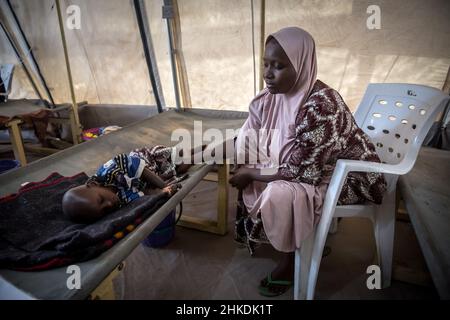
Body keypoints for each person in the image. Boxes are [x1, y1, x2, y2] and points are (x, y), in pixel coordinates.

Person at [229, 27, 387, 297]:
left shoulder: (321, 105)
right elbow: (255, 136)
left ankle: (293, 260)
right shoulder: (276, 96)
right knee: (249, 159)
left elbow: (302, 173)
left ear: (302, 65)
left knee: (282, 192)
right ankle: (304, 238)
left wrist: (252, 173)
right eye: (266, 64)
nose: (268, 73)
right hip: (319, 166)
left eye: (278, 66)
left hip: (354, 177)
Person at [62, 145, 199, 224]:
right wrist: (162, 193)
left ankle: (196, 150)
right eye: (104, 210)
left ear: (93, 184)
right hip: (153, 175)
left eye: (101, 200)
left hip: (146, 160)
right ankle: (203, 154)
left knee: (174, 154)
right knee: (180, 167)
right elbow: (143, 195)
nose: (108, 205)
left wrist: (162, 185)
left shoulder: (110, 171)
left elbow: (139, 168)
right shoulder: (119, 201)